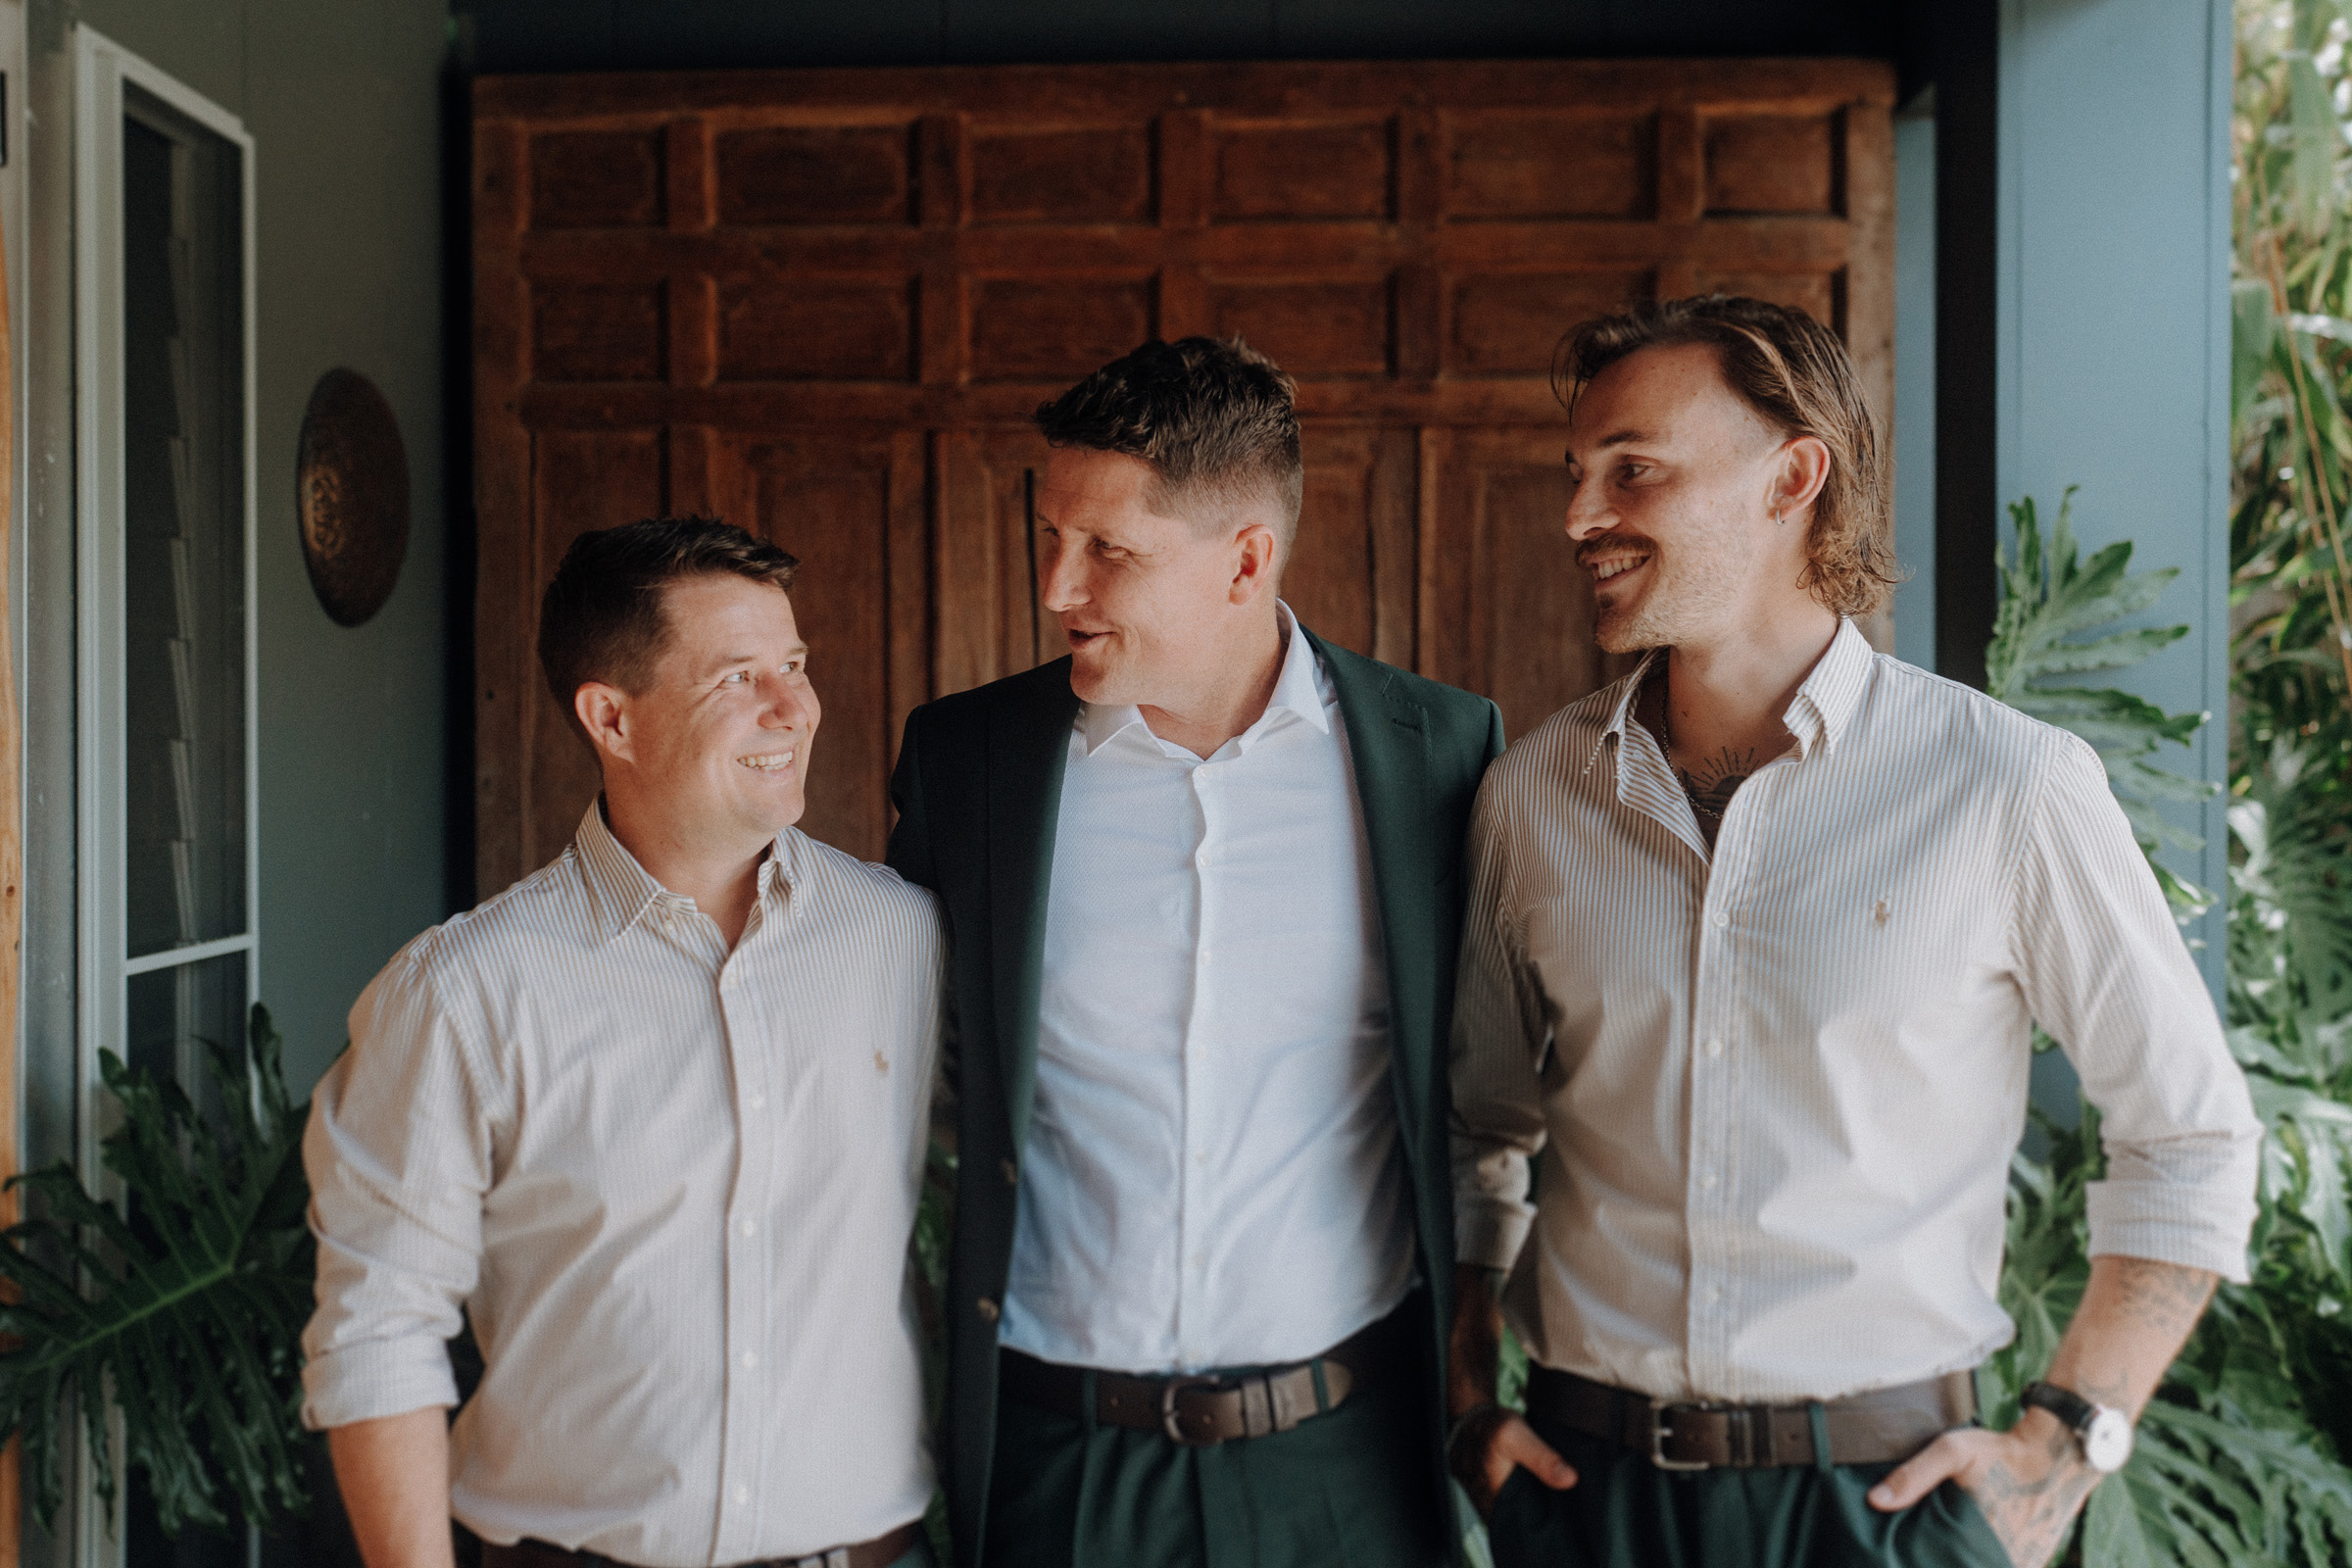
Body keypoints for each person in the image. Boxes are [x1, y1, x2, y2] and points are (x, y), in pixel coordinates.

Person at [1446, 296, 2262, 1568]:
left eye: (1635, 472)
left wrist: (2064, 1445)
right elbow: (1476, 1130)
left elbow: (2191, 1134)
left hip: (1879, 1511)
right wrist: (1463, 1404)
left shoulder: (2004, 785)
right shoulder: (1535, 796)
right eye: (1578, 474)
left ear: (1794, 477)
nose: (1579, 516)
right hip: (1585, 1499)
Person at [886, 336, 1502, 1568]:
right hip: (1064, 1464)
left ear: (1247, 560)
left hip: (1350, 1461)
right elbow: (907, 1075)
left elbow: (1497, 1088)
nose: (1059, 587)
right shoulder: (970, 764)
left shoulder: (1440, 754)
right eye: (1050, 535)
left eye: (1108, 549)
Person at [302, 517, 946, 1568]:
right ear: (613, 717)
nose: (795, 707)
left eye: (795, 665)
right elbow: (377, 1329)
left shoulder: (906, 940)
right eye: (739, 677)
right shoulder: (466, 991)